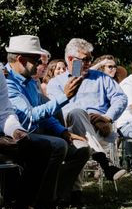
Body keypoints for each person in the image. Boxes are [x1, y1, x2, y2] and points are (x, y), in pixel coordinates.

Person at [5, 35, 91, 207]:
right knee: (58, 146)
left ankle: (60, 195)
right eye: (37, 60)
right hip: (15, 135)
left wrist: (63, 131)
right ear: (21, 59)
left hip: (35, 133)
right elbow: (29, 117)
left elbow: (45, 116)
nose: (40, 64)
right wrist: (64, 97)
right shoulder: (7, 82)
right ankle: (43, 202)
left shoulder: (29, 81)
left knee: (82, 149)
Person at [46, 38, 127, 181]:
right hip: (69, 131)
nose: (89, 63)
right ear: (71, 59)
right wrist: (89, 118)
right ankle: (104, 162)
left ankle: (73, 194)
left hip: (100, 129)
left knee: (81, 142)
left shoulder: (101, 78)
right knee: (77, 114)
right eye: (85, 59)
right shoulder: (56, 83)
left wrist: (107, 117)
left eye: (91, 59)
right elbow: (61, 111)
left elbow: (121, 98)